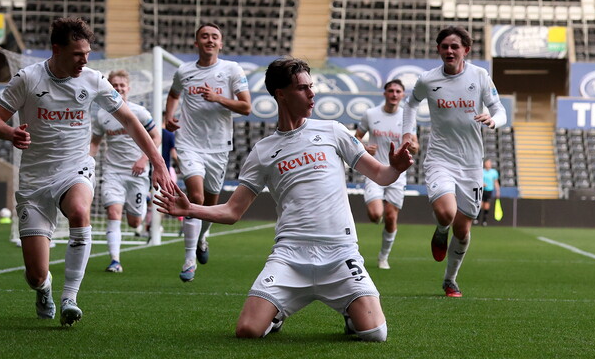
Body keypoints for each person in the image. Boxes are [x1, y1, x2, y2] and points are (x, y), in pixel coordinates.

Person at [153, 57, 413, 341]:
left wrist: (396, 168)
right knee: (248, 331)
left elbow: (381, 176)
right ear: (281, 94)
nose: (311, 93)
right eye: (302, 88)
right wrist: (190, 208)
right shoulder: (263, 151)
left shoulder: (334, 131)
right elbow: (232, 212)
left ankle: (351, 314)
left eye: (311, 86)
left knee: (375, 333)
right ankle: (276, 316)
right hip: (289, 256)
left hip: (340, 254)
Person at [0, 17, 175, 326]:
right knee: (35, 275)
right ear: (56, 49)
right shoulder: (28, 79)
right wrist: (10, 133)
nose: (84, 60)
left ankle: (70, 298)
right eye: (77, 54)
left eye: (87, 53)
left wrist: (158, 162)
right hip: (34, 179)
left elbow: (129, 120)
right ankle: (45, 289)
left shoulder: (93, 80)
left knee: (78, 211)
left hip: (75, 168)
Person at [401, 26, 507, 298]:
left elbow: (499, 109)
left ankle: (450, 279)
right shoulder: (428, 80)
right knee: (447, 213)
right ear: (438, 49)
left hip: (471, 164)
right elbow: (410, 104)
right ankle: (440, 229)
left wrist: (494, 120)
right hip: (440, 158)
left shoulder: (479, 76)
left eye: (455, 46)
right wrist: (408, 133)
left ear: (466, 50)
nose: (449, 51)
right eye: (445, 46)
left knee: (462, 229)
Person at [164, 23, 252, 282]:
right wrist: (169, 115)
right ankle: (189, 260)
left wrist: (218, 98)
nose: (210, 40)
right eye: (205, 36)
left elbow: (246, 107)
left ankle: (202, 237)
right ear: (197, 42)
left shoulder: (232, 69)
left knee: (211, 203)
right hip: (189, 143)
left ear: (220, 44)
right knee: (195, 196)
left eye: (215, 37)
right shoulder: (184, 71)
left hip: (218, 146)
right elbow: (173, 94)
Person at [89, 70, 161, 273]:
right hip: (112, 172)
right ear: (110, 88)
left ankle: (144, 202)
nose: (119, 88)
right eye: (115, 85)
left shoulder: (140, 112)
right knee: (113, 212)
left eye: (122, 85)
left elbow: (156, 137)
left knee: (134, 221)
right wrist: (86, 161)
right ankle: (115, 261)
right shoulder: (102, 115)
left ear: (128, 88)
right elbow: (95, 142)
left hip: (137, 173)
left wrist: (143, 159)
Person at [354, 79, 418, 269]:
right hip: (374, 170)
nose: (394, 94)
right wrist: (365, 147)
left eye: (398, 91)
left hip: (397, 173)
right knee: (375, 215)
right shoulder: (371, 114)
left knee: (391, 217)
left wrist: (413, 147)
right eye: (391, 91)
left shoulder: (407, 117)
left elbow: (416, 146)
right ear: (385, 94)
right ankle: (378, 211)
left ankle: (383, 256)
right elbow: (356, 138)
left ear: (403, 95)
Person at [477, 159, 500, 226]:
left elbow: (496, 182)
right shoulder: (482, 171)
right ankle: (477, 219)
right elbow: (478, 180)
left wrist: (498, 190)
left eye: (489, 163)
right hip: (482, 190)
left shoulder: (494, 172)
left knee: (487, 205)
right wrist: (482, 184)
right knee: (480, 204)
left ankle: (484, 220)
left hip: (489, 190)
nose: (488, 164)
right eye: (487, 163)